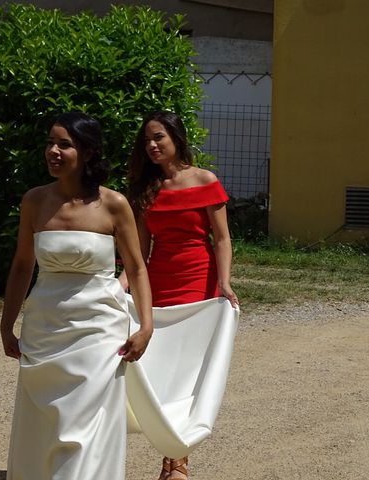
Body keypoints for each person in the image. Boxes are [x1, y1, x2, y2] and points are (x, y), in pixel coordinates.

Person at [0, 112, 153, 480]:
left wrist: (147, 326)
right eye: (50, 143)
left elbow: (137, 268)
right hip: (45, 325)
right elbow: (22, 266)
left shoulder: (113, 204)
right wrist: (7, 325)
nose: (53, 151)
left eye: (63, 144)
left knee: (86, 422)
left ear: (86, 152)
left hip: (99, 327)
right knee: (46, 418)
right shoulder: (34, 202)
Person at [119, 110, 238, 480]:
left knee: (189, 373)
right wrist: (120, 284)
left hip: (199, 281)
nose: (152, 146)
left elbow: (221, 238)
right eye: (147, 141)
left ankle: (177, 462)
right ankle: (172, 453)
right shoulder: (146, 190)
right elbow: (139, 248)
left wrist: (225, 282)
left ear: (176, 138)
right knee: (162, 372)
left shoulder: (205, 181)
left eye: (159, 138)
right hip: (158, 284)